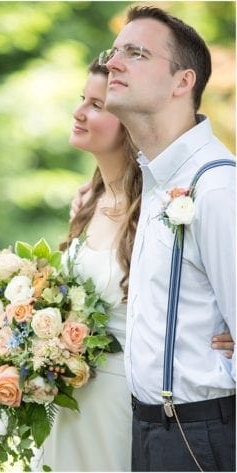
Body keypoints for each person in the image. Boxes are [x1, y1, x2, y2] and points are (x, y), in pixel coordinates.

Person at [42, 60, 234, 471]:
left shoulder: (160, 205)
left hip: (128, 401)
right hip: (72, 396)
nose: (80, 112)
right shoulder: (86, 201)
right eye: (83, 100)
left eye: (98, 104)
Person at [100, 6, 235, 471]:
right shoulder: (158, 182)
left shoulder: (216, 187)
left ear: (183, 82)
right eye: (114, 52)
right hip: (148, 430)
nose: (113, 64)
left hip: (203, 437)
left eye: (135, 53)